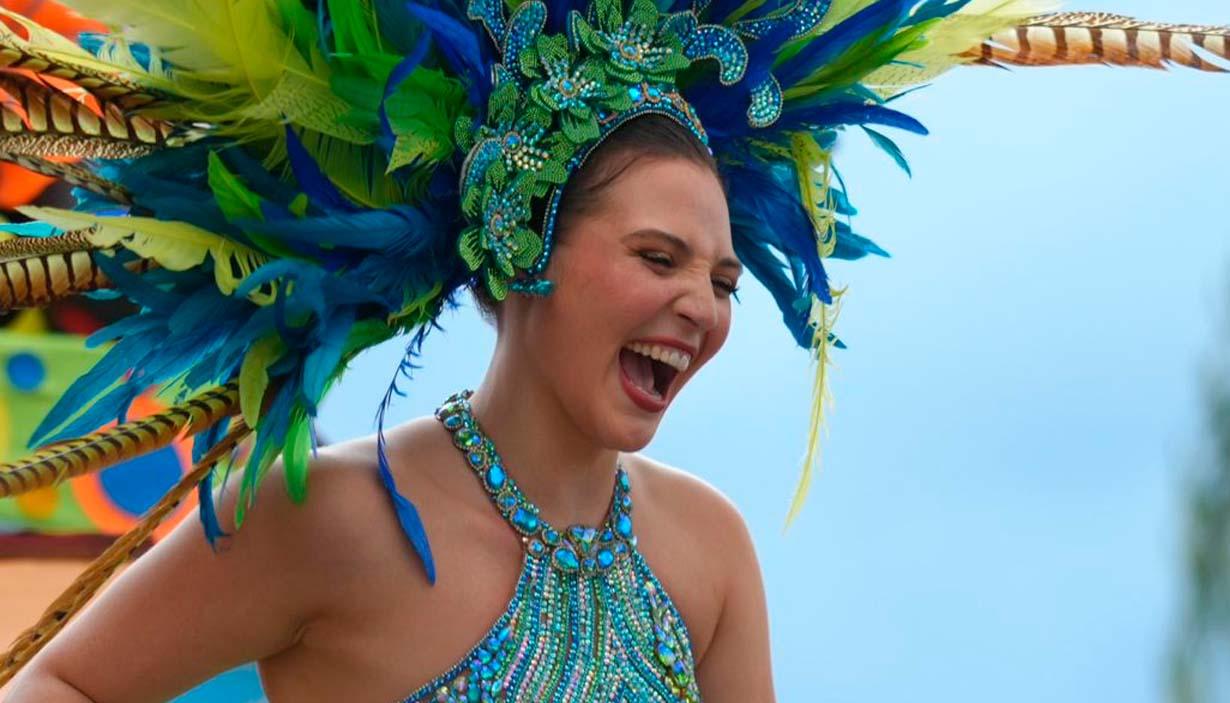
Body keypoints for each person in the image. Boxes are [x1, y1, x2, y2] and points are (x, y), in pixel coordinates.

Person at [0, 0, 1224, 701]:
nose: (702, 304)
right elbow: (58, 688)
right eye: (657, 258)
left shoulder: (709, 552)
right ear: (525, 241)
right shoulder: (328, 515)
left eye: (724, 278)